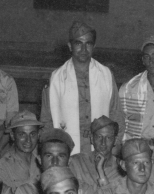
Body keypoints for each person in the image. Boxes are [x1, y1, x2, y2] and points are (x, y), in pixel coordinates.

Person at [42, 20, 123, 155]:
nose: (84, 49)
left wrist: (114, 147)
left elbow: (116, 114)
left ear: (94, 46)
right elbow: (46, 120)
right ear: (70, 46)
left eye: (88, 44)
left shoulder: (106, 75)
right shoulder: (56, 78)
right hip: (67, 150)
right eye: (78, 43)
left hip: (101, 149)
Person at [14, 128, 96, 194]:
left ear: (69, 161)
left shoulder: (85, 190)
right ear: (39, 160)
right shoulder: (25, 192)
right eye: (49, 156)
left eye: (61, 156)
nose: (55, 162)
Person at [68, 115, 123, 189]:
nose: (103, 143)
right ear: (92, 139)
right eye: (99, 137)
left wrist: (101, 172)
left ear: (115, 140)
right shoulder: (77, 162)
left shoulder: (121, 168)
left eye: (108, 137)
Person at [0, 110, 43, 189]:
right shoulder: (3, 166)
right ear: (12, 136)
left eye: (32, 134)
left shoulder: (43, 159)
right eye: (22, 134)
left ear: (38, 135)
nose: (28, 140)